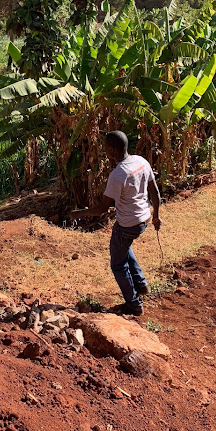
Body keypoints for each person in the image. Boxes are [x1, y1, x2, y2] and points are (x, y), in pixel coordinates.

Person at [70, 130, 161, 316]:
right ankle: (141, 284)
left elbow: (103, 208)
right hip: (144, 219)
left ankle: (134, 304)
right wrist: (157, 216)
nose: (104, 150)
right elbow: (155, 191)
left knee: (118, 265)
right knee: (123, 247)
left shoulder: (118, 175)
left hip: (128, 224)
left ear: (112, 150)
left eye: (105, 147)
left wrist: (79, 213)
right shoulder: (141, 161)